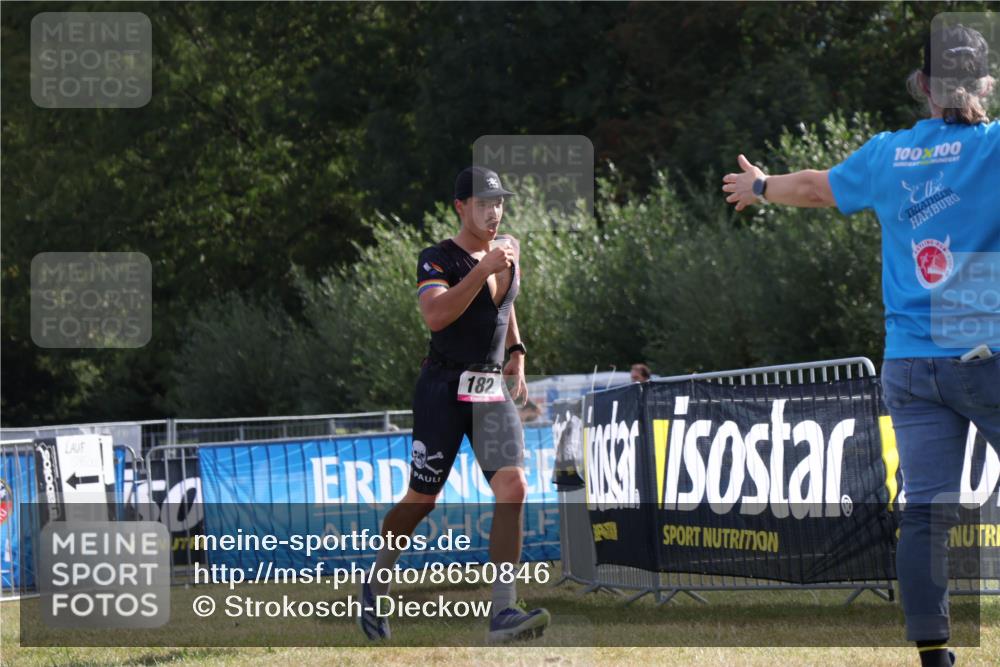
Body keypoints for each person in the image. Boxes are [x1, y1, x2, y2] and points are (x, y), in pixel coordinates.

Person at [722, 23, 997, 667]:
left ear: (924, 87)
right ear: (983, 83)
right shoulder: (993, 149)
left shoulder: (889, 155)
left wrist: (760, 187)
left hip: (909, 363)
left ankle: (933, 651)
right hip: (985, 356)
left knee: (926, 509)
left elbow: (816, 187)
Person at [358, 166, 551, 643]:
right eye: (484, 204)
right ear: (461, 207)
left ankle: (503, 614)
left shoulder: (509, 250)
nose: (494, 212)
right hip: (443, 388)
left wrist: (517, 353)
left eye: (499, 203)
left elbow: (506, 307)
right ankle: (376, 582)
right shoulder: (437, 259)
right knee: (423, 500)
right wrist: (483, 269)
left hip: (489, 389)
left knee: (514, 488)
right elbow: (437, 315)